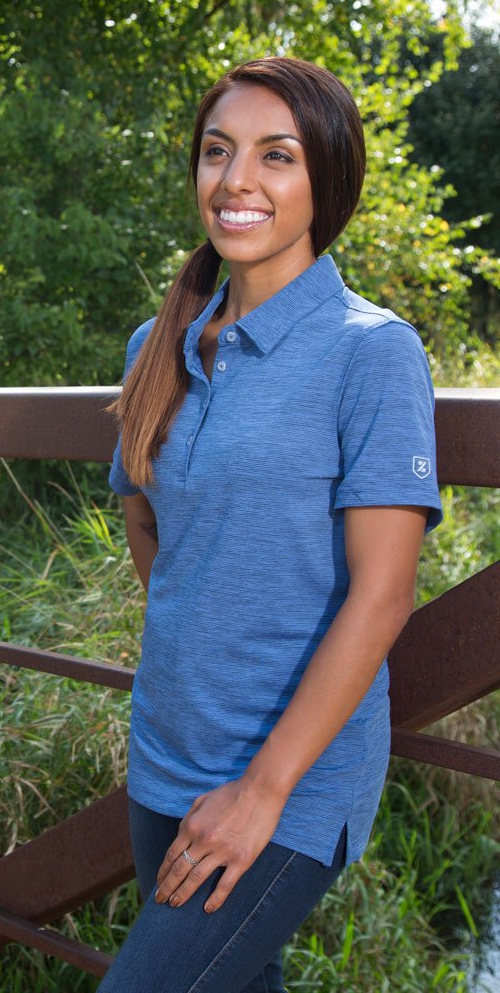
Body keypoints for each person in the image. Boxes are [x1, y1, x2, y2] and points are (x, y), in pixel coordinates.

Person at [98, 57, 443, 993]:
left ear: (325, 182)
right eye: (218, 152)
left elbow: (383, 594)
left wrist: (260, 790)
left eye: (276, 157)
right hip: (167, 750)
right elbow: (145, 521)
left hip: (289, 781)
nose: (237, 180)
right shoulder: (154, 345)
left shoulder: (371, 352)